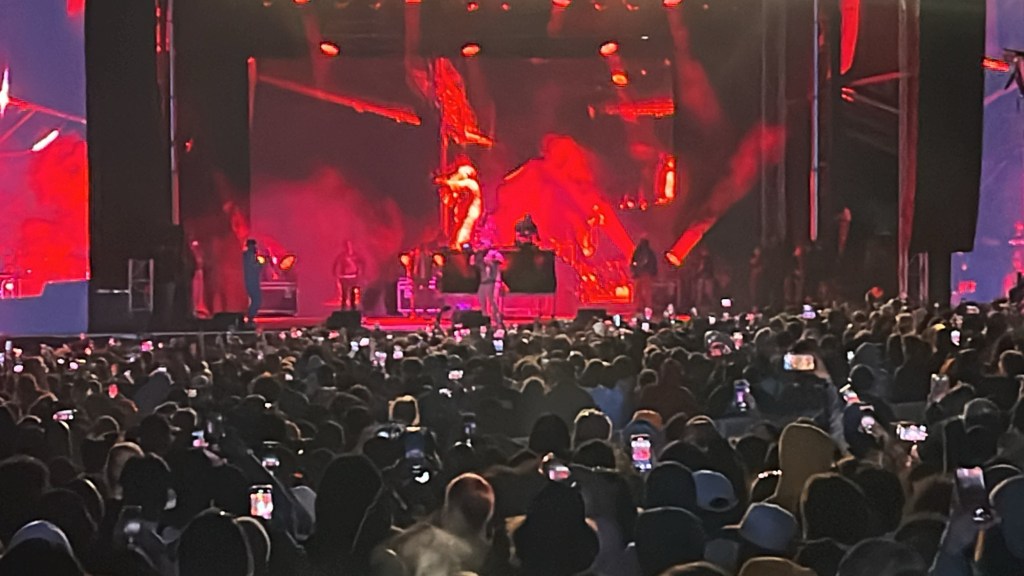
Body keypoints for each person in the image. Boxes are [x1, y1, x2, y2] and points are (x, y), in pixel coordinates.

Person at [472, 242, 504, 325]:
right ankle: (485, 319)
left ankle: (497, 320)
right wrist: (476, 256)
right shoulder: (479, 255)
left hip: (493, 281)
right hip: (483, 282)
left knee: (493, 301)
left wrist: (491, 260)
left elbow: (501, 260)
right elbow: (473, 263)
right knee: (481, 300)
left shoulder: (494, 253)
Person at [332, 240, 364, 310]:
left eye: (349, 245)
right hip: (344, 277)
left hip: (354, 277)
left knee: (353, 294)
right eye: (346, 246)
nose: (348, 247)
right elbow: (336, 263)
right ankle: (343, 310)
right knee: (344, 294)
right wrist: (335, 273)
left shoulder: (356, 255)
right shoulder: (342, 256)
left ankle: (353, 309)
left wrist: (361, 272)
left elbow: (362, 263)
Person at [631, 238, 658, 313]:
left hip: (643, 274)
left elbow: (633, 262)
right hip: (643, 274)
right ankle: (644, 306)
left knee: (642, 291)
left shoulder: (639, 252)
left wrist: (635, 270)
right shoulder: (649, 253)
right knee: (642, 291)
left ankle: (643, 306)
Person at [242, 239, 263, 325]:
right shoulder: (249, 256)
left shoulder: (244, 256)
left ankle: (245, 317)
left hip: (247, 281)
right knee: (256, 300)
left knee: (250, 300)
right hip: (251, 282)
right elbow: (253, 269)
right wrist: (260, 265)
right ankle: (250, 317)